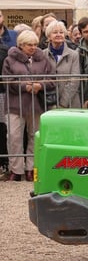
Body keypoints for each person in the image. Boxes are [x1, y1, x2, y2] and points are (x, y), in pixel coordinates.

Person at [3, 30, 55, 181]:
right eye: (29, 45)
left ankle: (31, 168)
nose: (33, 47)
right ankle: (16, 170)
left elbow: (53, 79)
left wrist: (40, 85)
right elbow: (7, 80)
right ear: (21, 45)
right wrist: (24, 86)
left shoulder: (43, 59)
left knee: (35, 137)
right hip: (15, 105)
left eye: (35, 44)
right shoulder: (9, 60)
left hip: (37, 105)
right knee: (14, 137)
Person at [42, 20, 81, 109]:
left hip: (71, 103)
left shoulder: (74, 55)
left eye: (61, 32)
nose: (59, 34)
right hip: (49, 103)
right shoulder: (42, 54)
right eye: (55, 32)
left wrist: (63, 103)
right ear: (49, 37)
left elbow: (74, 80)